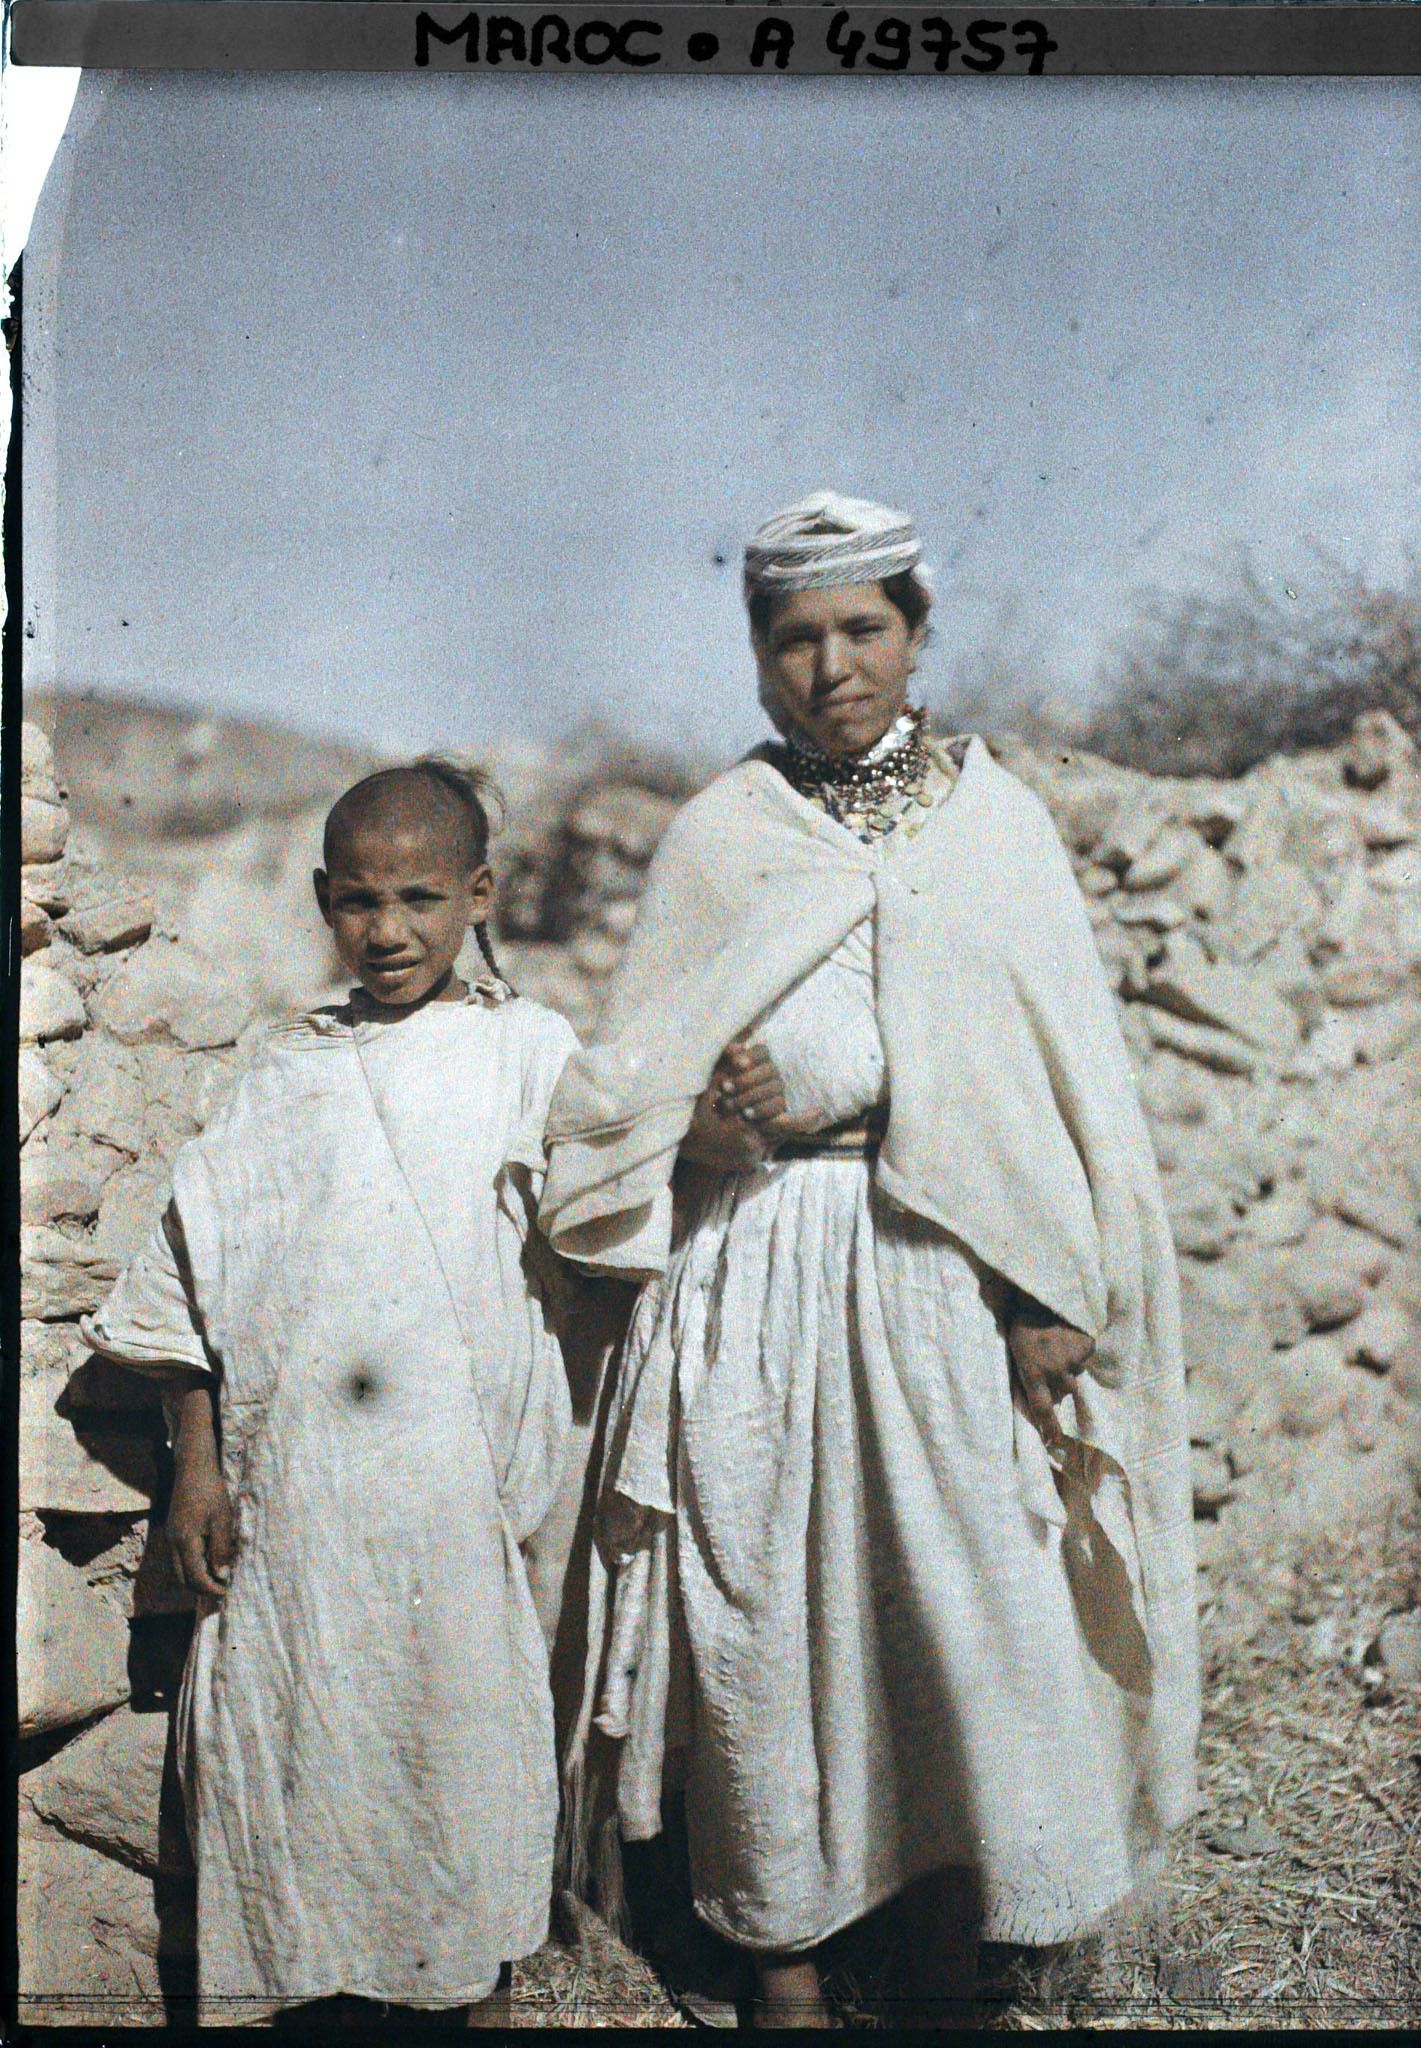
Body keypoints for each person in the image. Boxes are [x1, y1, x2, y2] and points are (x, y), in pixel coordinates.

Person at [540, 492, 1201, 2026]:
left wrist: (1045, 1288)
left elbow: (1050, 1088)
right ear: (755, 653)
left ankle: (950, 1945)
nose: (828, 666)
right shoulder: (723, 834)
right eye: (793, 638)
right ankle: (779, 1953)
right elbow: (631, 1090)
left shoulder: (992, 824)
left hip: (936, 1276)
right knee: (757, 1603)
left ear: (914, 634)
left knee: (961, 1598)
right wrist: (709, 1124)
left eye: (859, 630)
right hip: (758, 1269)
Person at [83, 759, 583, 2030]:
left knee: (455, 1773)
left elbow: (605, 1228)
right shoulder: (284, 1071)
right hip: (294, 1506)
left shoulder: (527, 1053)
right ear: (322, 900)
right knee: (293, 1764)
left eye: (421, 897)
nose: (389, 930)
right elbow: (192, 1281)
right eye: (360, 900)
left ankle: (469, 2000)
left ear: (480, 895)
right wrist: (197, 1466)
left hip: (450, 1506)